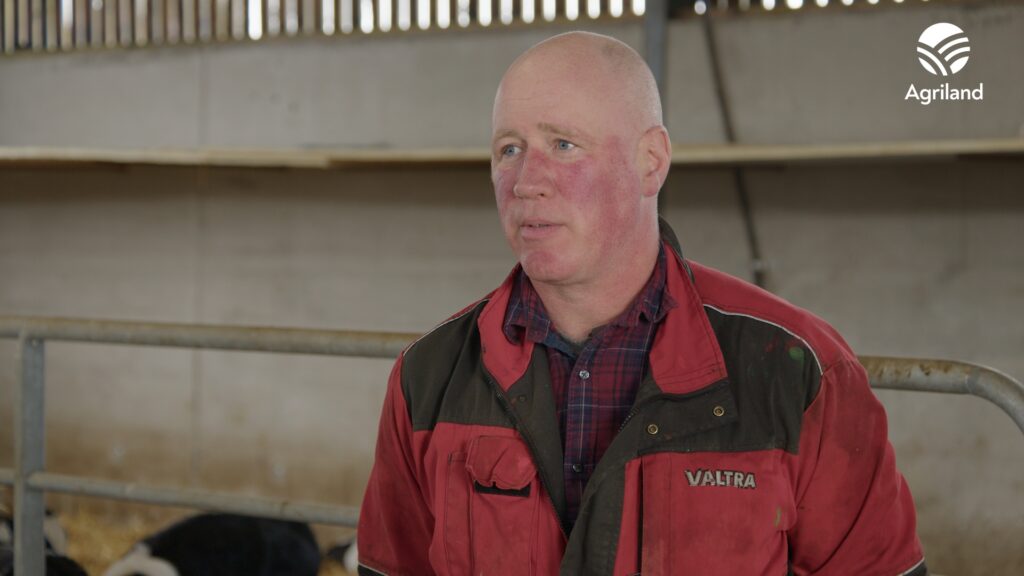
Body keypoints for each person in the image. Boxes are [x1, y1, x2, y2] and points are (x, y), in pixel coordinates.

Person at [357, 31, 926, 575]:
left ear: (651, 161)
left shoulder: (797, 371)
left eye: (563, 144)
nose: (527, 181)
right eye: (509, 149)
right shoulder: (427, 378)